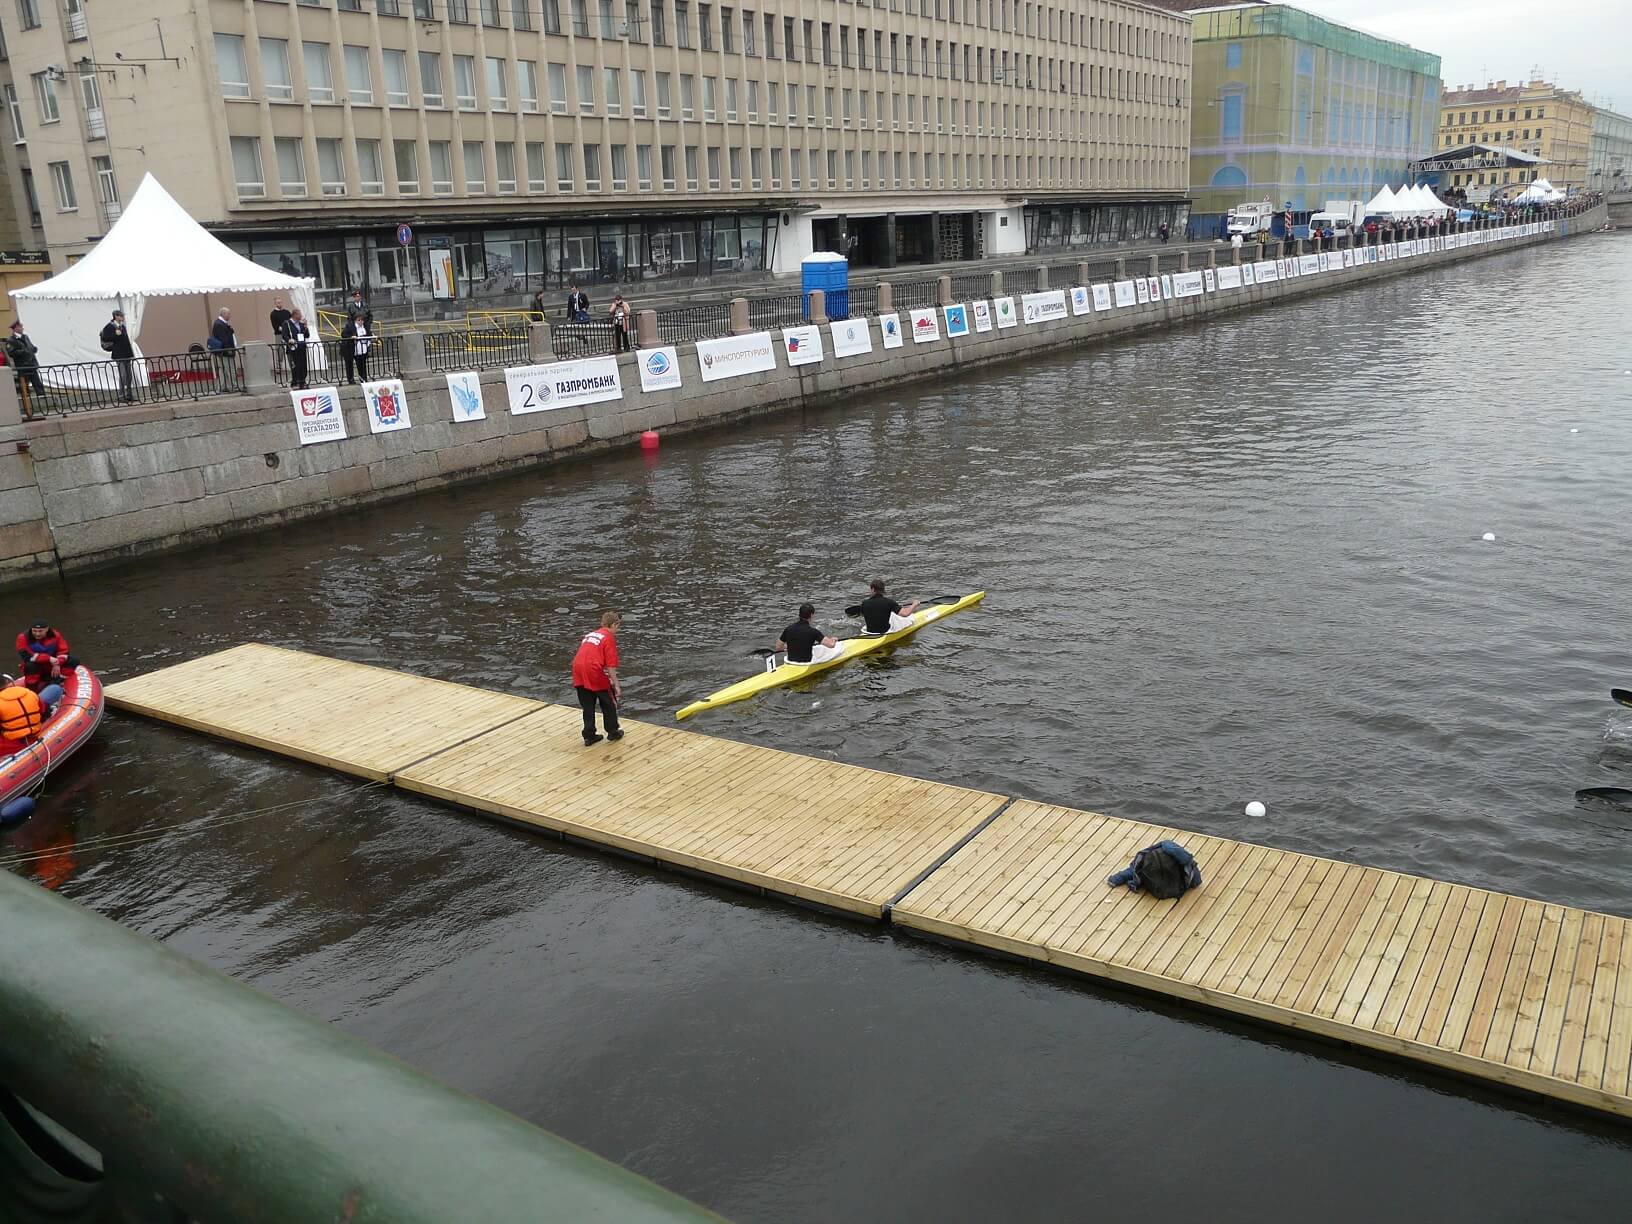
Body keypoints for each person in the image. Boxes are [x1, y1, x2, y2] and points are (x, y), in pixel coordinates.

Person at [571, 611, 623, 746]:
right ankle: (613, 731)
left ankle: (589, 735)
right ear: (614, 624)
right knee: (608, 701)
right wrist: (616, 685)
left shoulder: (590, 635)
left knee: (587, 704)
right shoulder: (608, 638)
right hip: (593, 669)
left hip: (577, 668)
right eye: (618, 626)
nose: (617, 629)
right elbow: (611, 666)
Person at [776, 603, 842, 665]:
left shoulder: (788, 629)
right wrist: (833, 639)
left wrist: (792, 647)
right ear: (811, 615)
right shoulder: (813, 631)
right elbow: (831, 645)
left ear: (799, 614)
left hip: (790, 661)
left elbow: (778, 647)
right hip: (806, 663)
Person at [99, 309, 136, 403]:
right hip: (118, 354)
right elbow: (106, 337)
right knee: (123, 376)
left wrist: (131, 353)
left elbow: (126, 341)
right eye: (121, 316)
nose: (123, 317)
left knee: (129, 376)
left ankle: (129, 394)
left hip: (126, 354)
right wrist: (115, 334)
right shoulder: (110, 326)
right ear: (116, 316)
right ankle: (121, 396)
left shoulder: (122, 326)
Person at [6, 320, 43, 403]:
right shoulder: (11, 340)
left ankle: (43, 398)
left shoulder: (25, 337)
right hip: (23, 366)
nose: (22, 328)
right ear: (16, 328)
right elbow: (11, 353)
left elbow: (30, 346)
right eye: (21, 327)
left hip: (31, 364)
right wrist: (23, 351)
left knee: (37, 383)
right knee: (24, 386)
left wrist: (33, 349)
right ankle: (27, 403)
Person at [282, 307, 312, 390]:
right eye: (300, 314)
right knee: (295, 366)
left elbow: (307, 335)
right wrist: (289, 340)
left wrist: (306, 327)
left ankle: (303, 382)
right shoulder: (287, 323)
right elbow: (284, 335)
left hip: (301, 347)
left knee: (303, 365)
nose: (301, 316)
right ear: (295, 315)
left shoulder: (301, 324)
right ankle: (295, 382)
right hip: (293, 348)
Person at [209, 308, 238, 390]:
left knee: (223, 369)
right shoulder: (219, 324)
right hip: (225, 351)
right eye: (228, 314)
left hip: (223, 351)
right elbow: (224, 339)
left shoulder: (222, 323)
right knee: (230, 368)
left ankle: (222, 386)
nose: (230, 315)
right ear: (223, 314)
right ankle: (234, 386)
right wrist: (229, 350)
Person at [353, 313, 374, 383]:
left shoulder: (365, 327)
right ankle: (361, 378)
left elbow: (369, 334)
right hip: (357, 349)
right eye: (359, 320)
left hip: (364, 348)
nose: (360, 321)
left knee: (363, 364)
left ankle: (364, 378)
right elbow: (345, 334)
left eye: (362, 320)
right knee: (359, 364)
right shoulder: (353, 327)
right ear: (355, 321)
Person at [340, 313, 358, 383]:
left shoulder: (351, 325)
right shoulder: (350, 325)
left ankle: (351, 378)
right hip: (347, 347)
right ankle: (350, 379)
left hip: (350, 347)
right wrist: (351, 337)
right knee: (349, 364)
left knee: (350, 364)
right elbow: (343, 334)